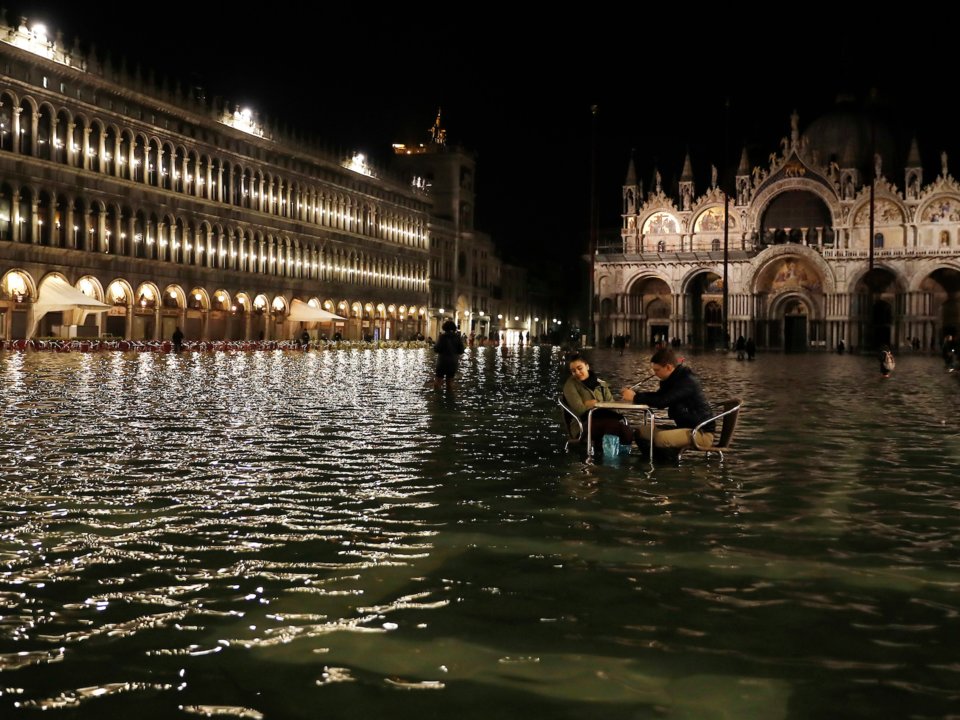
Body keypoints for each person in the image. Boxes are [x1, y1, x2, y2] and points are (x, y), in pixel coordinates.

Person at [620, 347, 714, 452]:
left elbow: (662, 401)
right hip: (684, 427)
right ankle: (650, 462)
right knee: (641, 432)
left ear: (668, 367)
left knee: (660, 438)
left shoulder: (686, 381)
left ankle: (666, 465)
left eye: (657, 370)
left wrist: (635, 397)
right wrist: (636, 394)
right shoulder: (673, 380)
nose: (655, 374)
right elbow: (658, 396)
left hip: (701, 432)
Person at [562, 353, 638, 453]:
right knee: (612, 427)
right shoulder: (570, 386)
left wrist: (594, 403)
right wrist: (599, 405)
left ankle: (622, 462)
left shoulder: (602, 384)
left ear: (587, 366)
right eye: (573, 371)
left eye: (579, 368)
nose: (577, 372)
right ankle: (610, 462)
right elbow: (580, 409)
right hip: (582, 424)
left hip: (605, 420)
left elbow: (615, 408)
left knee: (627, 431)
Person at [434, 320, 465, 390]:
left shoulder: (442, 337)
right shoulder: (457, 337)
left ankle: (438, 398)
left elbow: (436, 349)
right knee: (450, 383)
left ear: (444, 327)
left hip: (442, 362)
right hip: (453, 362)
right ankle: (450, 398)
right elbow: (461, 350)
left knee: (438, 381)